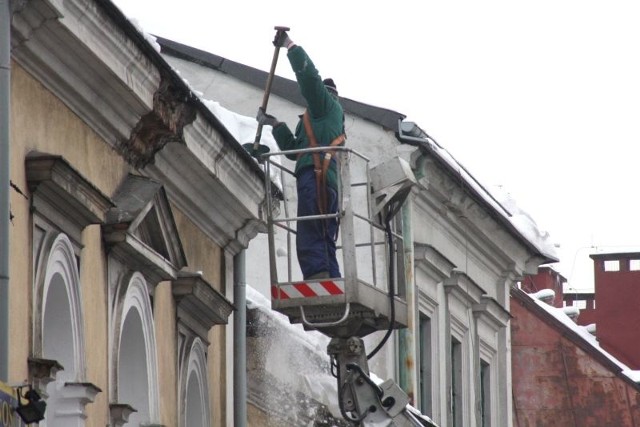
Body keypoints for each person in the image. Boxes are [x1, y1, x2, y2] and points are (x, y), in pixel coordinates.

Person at [256, 31, 346, 280]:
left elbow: (309, 79)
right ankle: (331, 278)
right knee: (323, 235)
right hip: (323, 179)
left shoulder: (325, 105)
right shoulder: (319, 121)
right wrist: (274, 124)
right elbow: (295, 152)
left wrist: (289, 46)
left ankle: (318, 276)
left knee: (309, 231)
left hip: (315, 177)